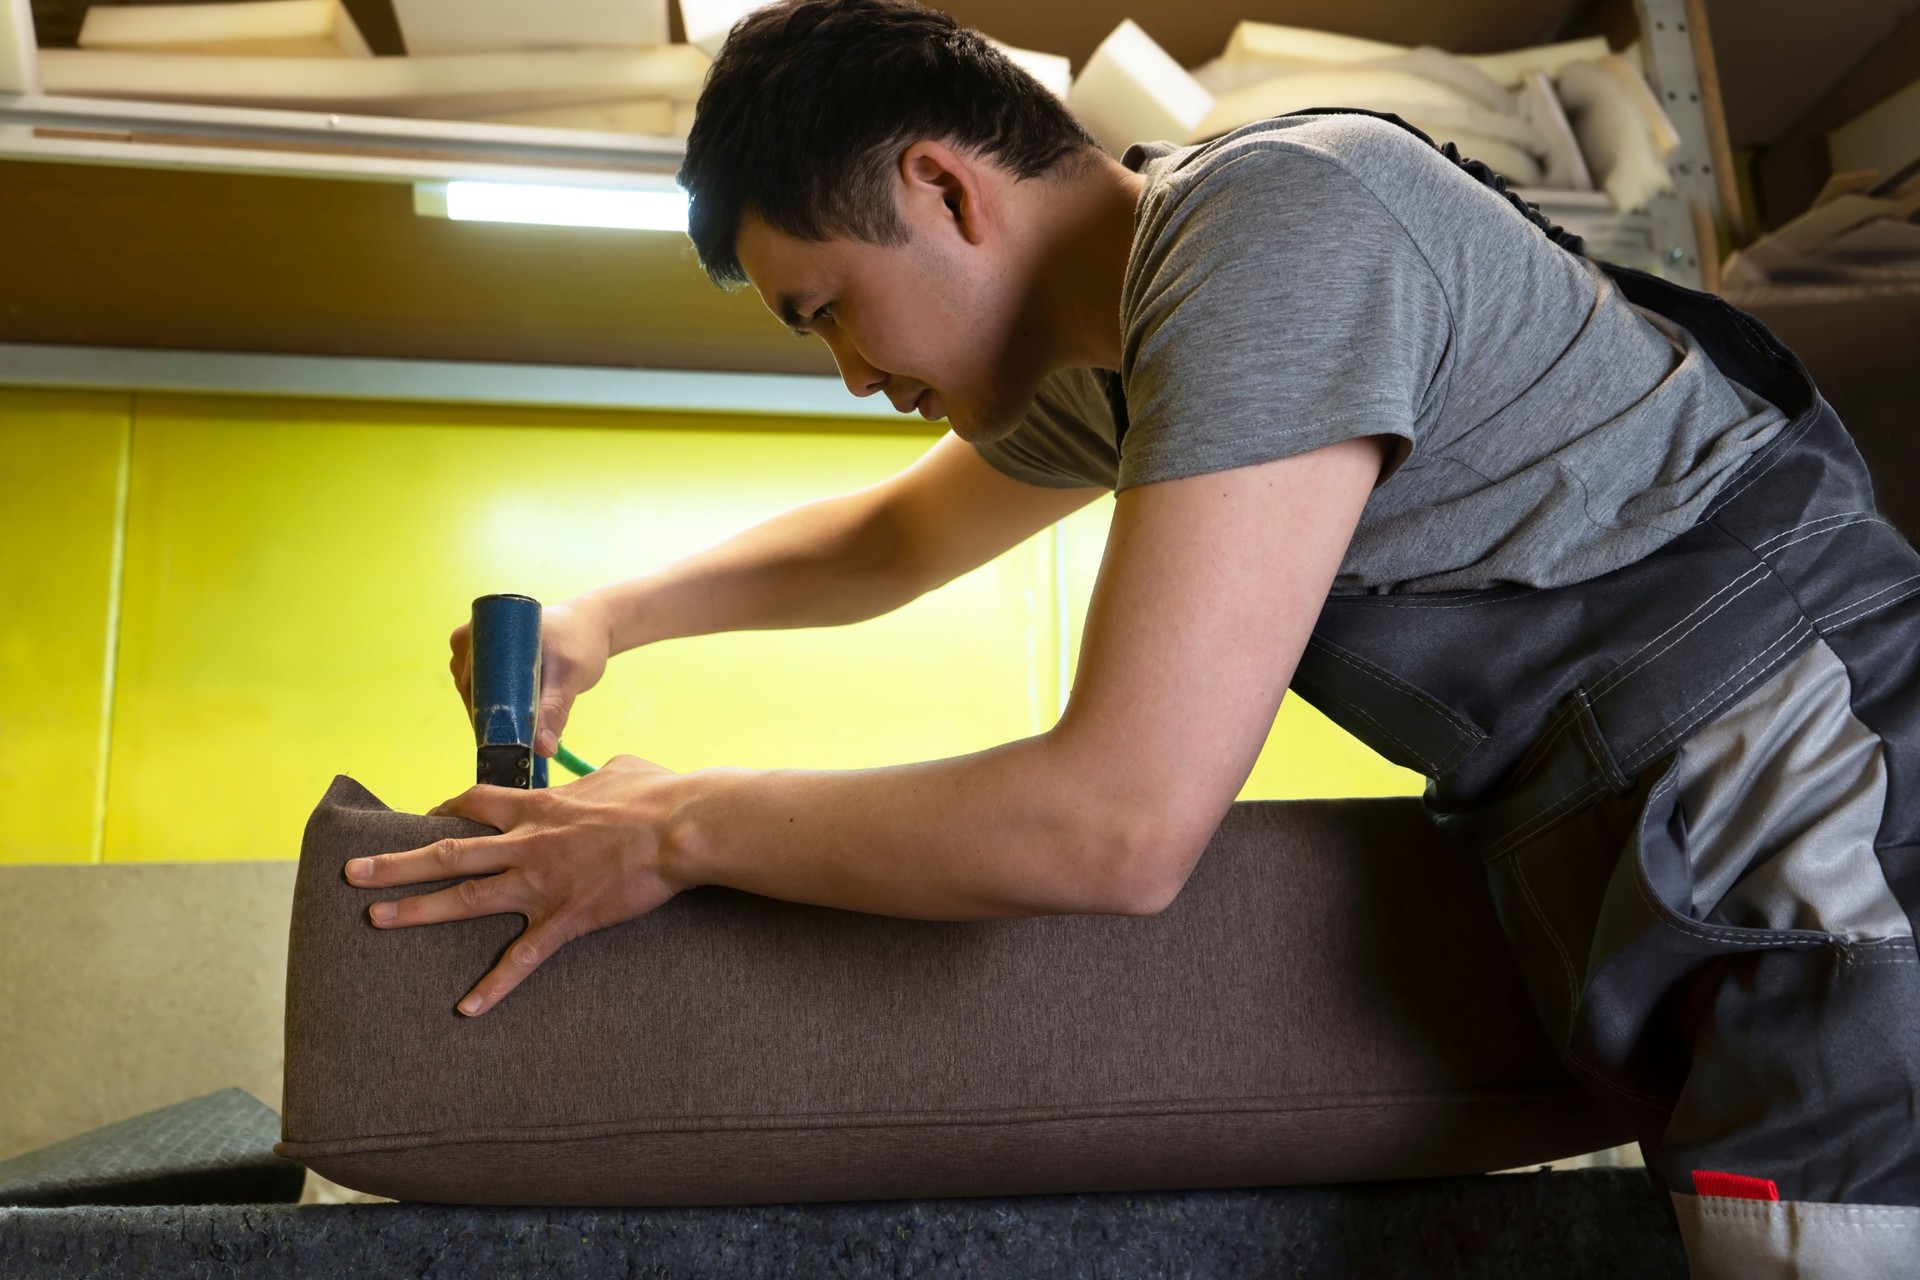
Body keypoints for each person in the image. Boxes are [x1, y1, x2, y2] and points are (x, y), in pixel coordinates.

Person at [340, 2, 1920, 1274]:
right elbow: (897, 536)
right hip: (1691, 846)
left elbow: (1119, 825)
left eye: (821, 309)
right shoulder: (1131, 347)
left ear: (943, 191)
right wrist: (613, 620)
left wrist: (677, 831)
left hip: (1817, 791)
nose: (844, 372)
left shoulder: (1274, 232)